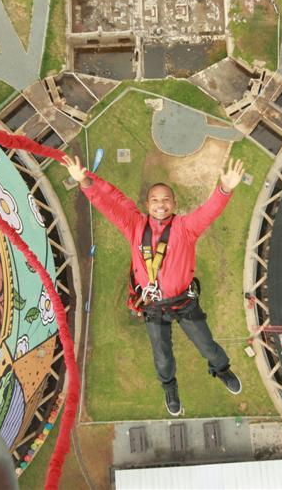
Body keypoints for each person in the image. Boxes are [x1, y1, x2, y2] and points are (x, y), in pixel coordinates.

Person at [62, 155, 245, 416]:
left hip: (183, 302)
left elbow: (207, 213)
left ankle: (222, 370)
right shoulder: (135, 226)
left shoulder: (185, 228)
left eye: (166, 200)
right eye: (155, 200)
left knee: (207, 345)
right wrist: (85, 183)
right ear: (147, 205)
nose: (161, 205)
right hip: (153, 305)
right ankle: (169, 387)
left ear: (175, 204)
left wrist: (224, 189)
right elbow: (109, 207)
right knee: (162, 355)